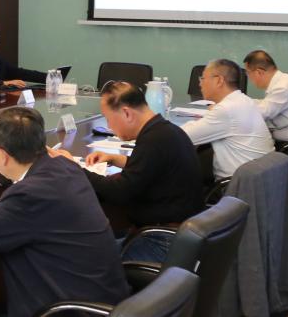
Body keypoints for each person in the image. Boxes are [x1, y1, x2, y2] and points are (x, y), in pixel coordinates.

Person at [0, 107, 129, 317]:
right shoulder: (66, 167)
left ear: (2, 154)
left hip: (73, 310)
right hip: (105, 300)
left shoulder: (29, 195)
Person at [53, 81, 203, 262]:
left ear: (126, 113)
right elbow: (151, 167)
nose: (109, 126)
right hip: (179, 235)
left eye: (108, 118)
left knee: (81, 262)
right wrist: (115, 158)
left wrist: (74, 168)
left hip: (161, 241)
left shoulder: (153, 140)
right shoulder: (165, 130)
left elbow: (119, 192)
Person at [182, 59, 274, 179]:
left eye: (203, 78)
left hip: (237, 184)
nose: (200, 84)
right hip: (261, 179)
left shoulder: (226, 109)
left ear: (219, 80)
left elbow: (182, 136)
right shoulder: (244, 100)